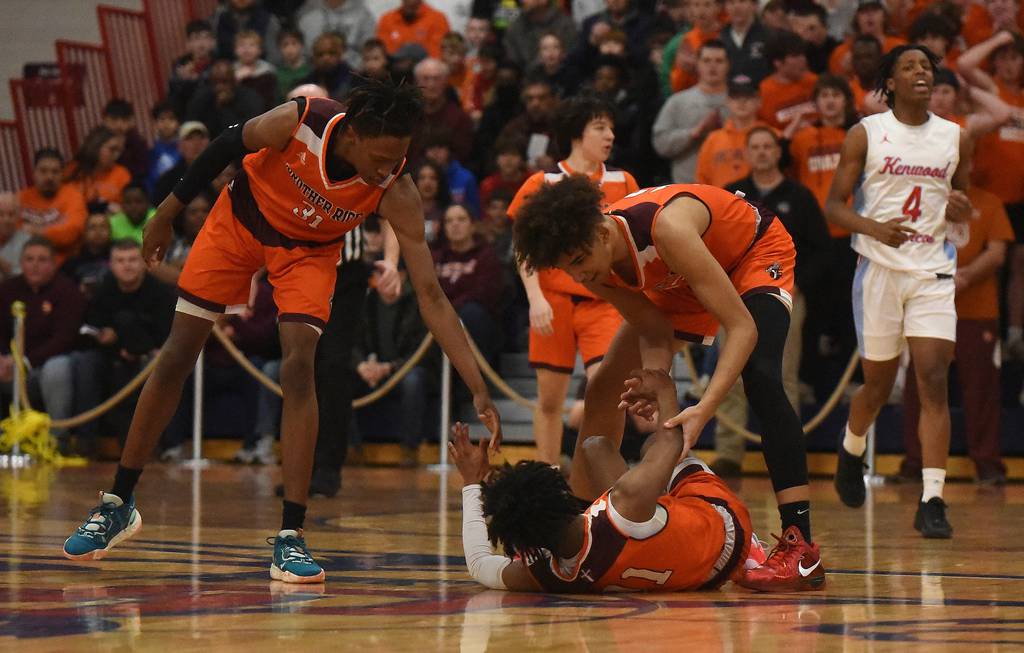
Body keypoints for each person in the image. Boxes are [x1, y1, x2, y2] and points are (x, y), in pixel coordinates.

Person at [60, 80, 502, 584]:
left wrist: (477, 384)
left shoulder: (393, 189)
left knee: (299, 364)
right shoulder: (301, 120)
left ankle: (291, 536)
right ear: (352, 135)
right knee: (178, 353)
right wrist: (166, 214)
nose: (388, 169)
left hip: (309, 254)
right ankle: (118, 503)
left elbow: (432, 297)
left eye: (397, 158)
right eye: (380, 157)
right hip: (238, 221)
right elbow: (225, 146)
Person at [512, 175, 825, 592]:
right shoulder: (592, 265)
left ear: (603, 230)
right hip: (680, 279)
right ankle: (579, 519)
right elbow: (654, 328)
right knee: (605, 380)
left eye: (582, 258)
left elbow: (742, 328)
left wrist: (703, 408)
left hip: (749, 252)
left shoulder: (667, 228)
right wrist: (653, 380)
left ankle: (800, 546)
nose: (579, 272)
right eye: (568, 266)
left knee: (762, 375)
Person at [825, 44, 973, 539]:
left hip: (933, 271)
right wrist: (873, 227)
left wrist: (959, 212)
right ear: (889, 82)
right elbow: (833, 208)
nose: (921, 74)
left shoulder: (955, 137)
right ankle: (850, 449)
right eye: (910, 67)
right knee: (879, 385)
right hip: (879, 270)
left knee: (932, 377)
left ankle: (933, 499)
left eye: (927, 68)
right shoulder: (865, 133)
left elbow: (962, 209)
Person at [450, 368, 767, 593]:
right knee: (651, 447)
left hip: (705, 578)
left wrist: (471, 482)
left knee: (597, 450)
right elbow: (670, 444)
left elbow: (479, 563)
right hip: (728, 531)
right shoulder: (625, 502)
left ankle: (657, 505)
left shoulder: (545, 575)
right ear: (561, 493)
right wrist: (664, 391)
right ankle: (754, 550)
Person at [507, 95, 638, 465]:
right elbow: (522, 247)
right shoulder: (543, 181)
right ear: (577, 134)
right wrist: (535, 298)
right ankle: (549, 474)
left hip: (606, 302)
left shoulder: (623, 181)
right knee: (549, 401)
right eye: (600, 127)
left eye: (611, 127)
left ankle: (593, 471)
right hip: (554, 301)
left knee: (607, 389)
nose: (609, 134)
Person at [713, 126, 831, 475]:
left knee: (783, 376)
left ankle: (784, 450)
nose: (763, 152)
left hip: (785, 297)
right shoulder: (732, 195)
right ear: (747, 153)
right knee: (730, 373)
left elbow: (822, 251)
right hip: (735, 298)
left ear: (778, 152)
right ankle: (728, 453)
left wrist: (796, 284)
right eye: (756, 147)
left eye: (768, 146)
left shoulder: (800, 196)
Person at [901, 182, 1015, 485]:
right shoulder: (918, 199)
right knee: (919, 386)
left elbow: (997, 253)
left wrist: (964, 277)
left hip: (977, 311)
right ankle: (916, 463)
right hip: (926, 309)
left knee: (982, 388)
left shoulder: (989, 201)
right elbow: (904, 247)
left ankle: (988, 464)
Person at [0, 237, 86, 447]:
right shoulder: (7, 289)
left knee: (56, 368)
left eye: (42, 260)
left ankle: (58, 440)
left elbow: (64, 339)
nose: (35, 265)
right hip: (9, 367)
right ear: (21, 263)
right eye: (29, 259)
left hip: (45, 367)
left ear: (54, 263)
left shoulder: (68, 292)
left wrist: (23, 361)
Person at [17, 148, 88, 266]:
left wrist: (34, 231)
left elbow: (70, 234)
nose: (49, 177)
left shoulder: (73, 195)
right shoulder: (20, 198)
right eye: (43, 171)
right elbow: (11, 235)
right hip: (25, 266)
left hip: (65, 265)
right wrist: (53, 233)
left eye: (55, 172)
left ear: (62, 174)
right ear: (34, 173)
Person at [66, 126, 131, 208]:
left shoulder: (122, 173)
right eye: (112, 149)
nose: (117, 155)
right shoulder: (73, 170)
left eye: (119, 151)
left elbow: (130, 206)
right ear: (95, 147)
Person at [0, 192, 31, 282]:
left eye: (11, 214)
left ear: (18, 216)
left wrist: (5, 266)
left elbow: (29, 276)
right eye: (1, 214)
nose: (6, 220)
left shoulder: (28, 242)